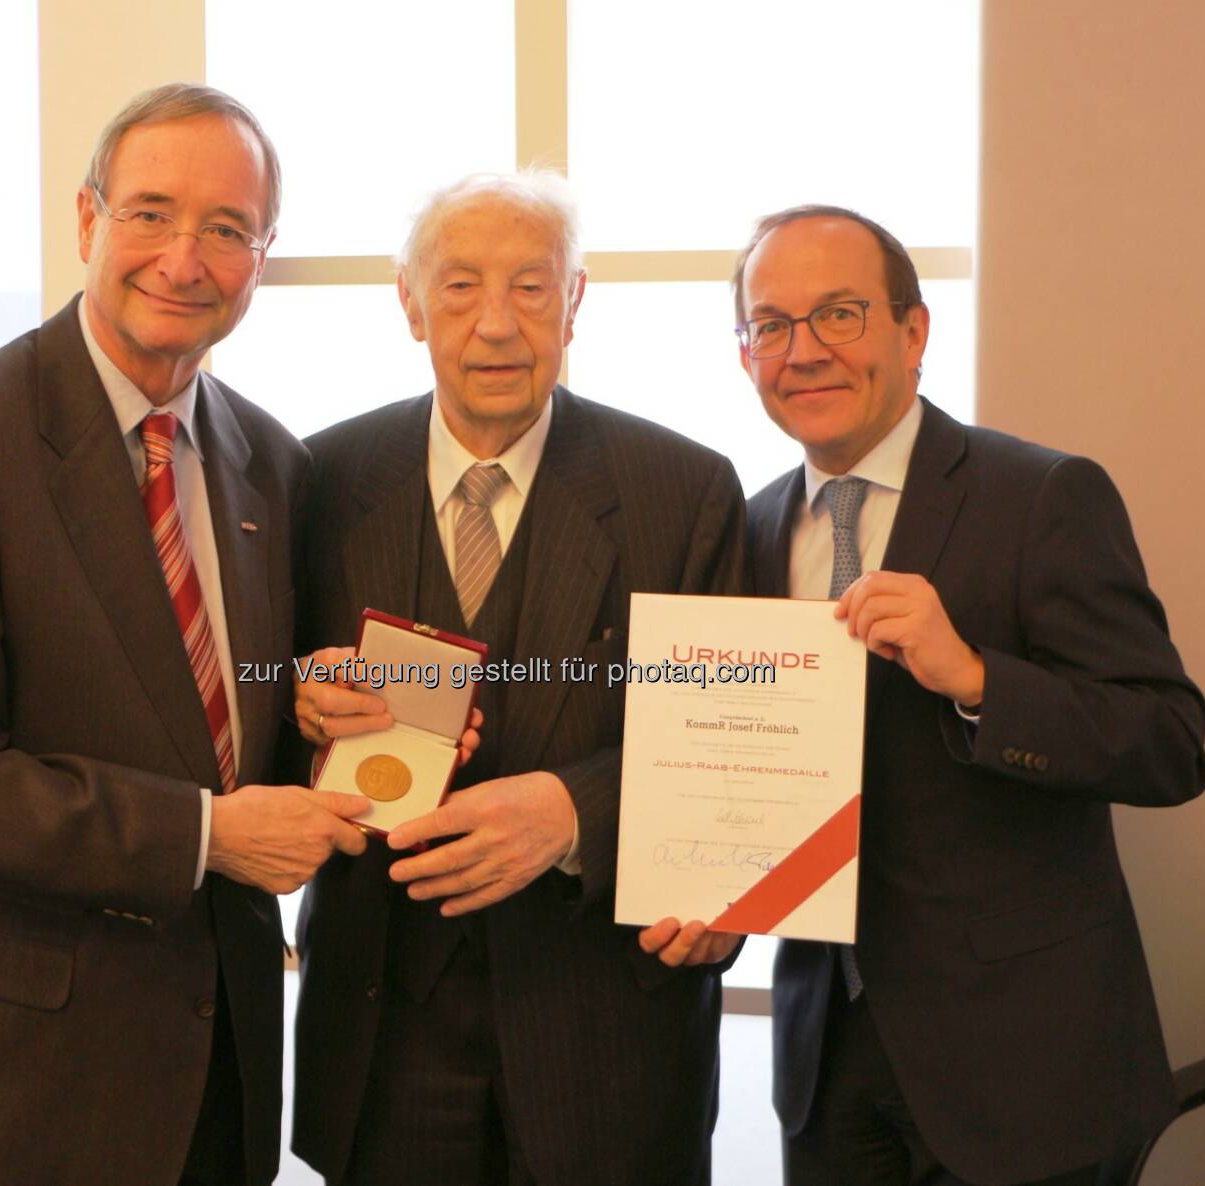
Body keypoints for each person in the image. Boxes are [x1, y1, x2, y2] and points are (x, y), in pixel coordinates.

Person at [0, 83, 369, 1186]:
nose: (185, 258)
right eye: (150, 213)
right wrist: (205, 836)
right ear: (88, 221)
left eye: (226, 229)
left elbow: (229, 745)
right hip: (19, 1073)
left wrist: (319, 718)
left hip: (217, 1069)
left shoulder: (273, 462)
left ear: (261, 258)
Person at [725, 205, 1205, 1185]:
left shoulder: (1042, 497)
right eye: (770, 324)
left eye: (839, 314)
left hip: (1024, 1068)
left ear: (913, 331)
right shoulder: (746, 529)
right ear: (746, 355)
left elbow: (1168, 742)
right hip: (827, 1064)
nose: (803, 351)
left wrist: (981, 680)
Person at [287, 170, 747, 1186]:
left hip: (607, 1044)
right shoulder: (314, 481)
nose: (496, 324)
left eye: (531, 288)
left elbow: (731, 753)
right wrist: (301, 701)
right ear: (409, 304)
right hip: (381, 1039)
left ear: (575, 300)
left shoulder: (686, 490)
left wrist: (575, 812)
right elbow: (255, 731)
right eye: (458, 287)